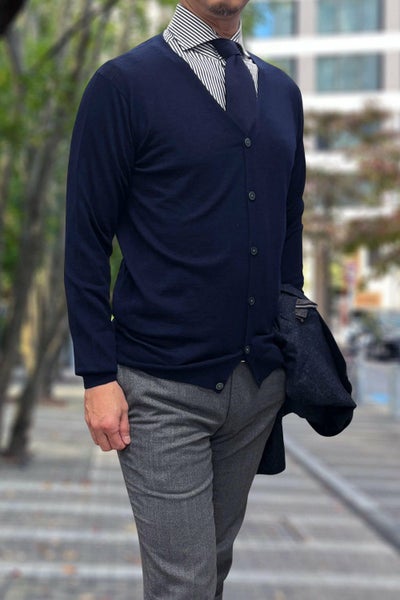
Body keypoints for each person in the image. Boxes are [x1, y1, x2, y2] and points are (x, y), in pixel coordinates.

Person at [64, 0, 305, 598]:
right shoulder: (123, 85)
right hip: (159, 387)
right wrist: (97, 376)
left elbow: (288, 225)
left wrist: (292, 340)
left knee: (211, 570)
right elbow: (86, 238)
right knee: (184, 584)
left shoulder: (282, 93)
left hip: (256, 386)